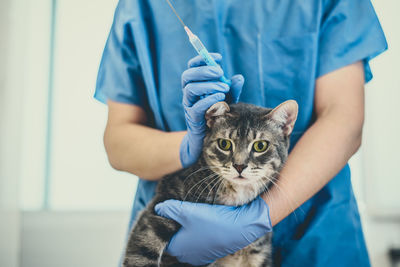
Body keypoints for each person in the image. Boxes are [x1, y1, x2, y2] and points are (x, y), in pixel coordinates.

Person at [94, 0, 387, 266]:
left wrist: (260, 216)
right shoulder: (142, 6)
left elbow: (344, 117)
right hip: (177, 230)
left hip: (315, 233)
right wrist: (187, 145)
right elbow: (118, 141)